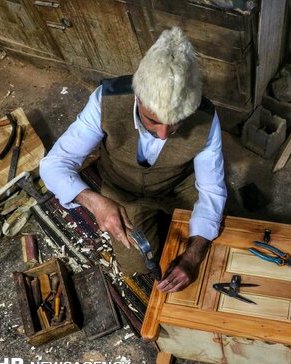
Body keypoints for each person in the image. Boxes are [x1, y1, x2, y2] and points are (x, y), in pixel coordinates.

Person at [39, 27, 227, 293]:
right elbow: (53, 164)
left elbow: (211, 190)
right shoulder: (107, 99)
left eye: (174, 125)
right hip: (122, 190)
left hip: (178, 185)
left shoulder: (206, 117)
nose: (163, 135)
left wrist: (192, 256)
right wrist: (93, 201)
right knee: (135, 263)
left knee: (222, 241)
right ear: (137, 98)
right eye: (153, 121)